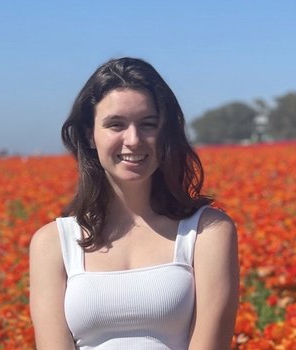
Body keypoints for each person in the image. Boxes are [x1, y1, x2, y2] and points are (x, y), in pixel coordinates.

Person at [29, 57, 239, 350]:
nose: (134, 140)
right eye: (116, 125)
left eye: (148, 124)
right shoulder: (52, 243)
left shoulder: (207, 233)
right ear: (90, 134)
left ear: (165, 132)